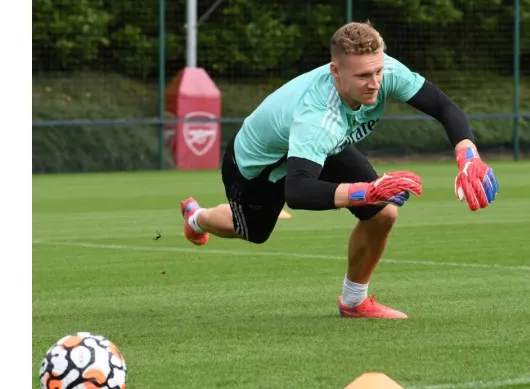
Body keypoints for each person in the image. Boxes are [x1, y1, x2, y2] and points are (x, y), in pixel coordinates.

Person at [179, 21, 498, 319]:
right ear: (336, 72)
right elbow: (298, 192)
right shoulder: (317, 116)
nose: (374, 84)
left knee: (382, 213)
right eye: (362, 77)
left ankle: (354, 301)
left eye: (378, 71)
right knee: (252, 231)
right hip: (256, 165)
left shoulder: (386, 73)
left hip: (320, 148)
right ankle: (197, 218)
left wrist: (468, 156)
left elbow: (444, 107)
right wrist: (369, 191)